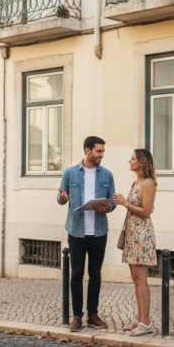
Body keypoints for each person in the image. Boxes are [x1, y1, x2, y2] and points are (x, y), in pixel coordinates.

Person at [57, 136, 116, 332]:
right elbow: (60, 197)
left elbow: (113, 202)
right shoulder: (70, 173)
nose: (101, 155)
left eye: (103, 152)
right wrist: (63, 197)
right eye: (99, 151)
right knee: (76, 274)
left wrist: (107, 208)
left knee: (95, 274)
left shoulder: (107, 175)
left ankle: (92, 314)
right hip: (76, 231)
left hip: (99, 231)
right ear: (88, 151)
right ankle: (77, 316)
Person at [113, 149, 158, 337]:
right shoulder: (136, 183)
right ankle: (139, 319)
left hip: (141, 234)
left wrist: (124, 203)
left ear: (141, 162)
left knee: (141, 279)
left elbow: (146, 211)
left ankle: (145, 323)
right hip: (132, 233)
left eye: (132, 158)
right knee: (135, 278)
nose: (129, 161)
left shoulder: (148, 184)